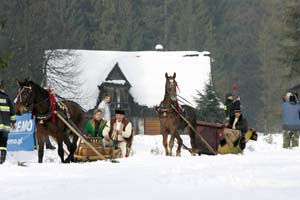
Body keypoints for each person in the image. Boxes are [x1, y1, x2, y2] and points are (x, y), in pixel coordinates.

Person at [0, 79, 16, 164]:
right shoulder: (7, 98)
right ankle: (2, 159)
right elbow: (12, 112)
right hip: (5, 126)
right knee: (3, 143)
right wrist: (13, 122)